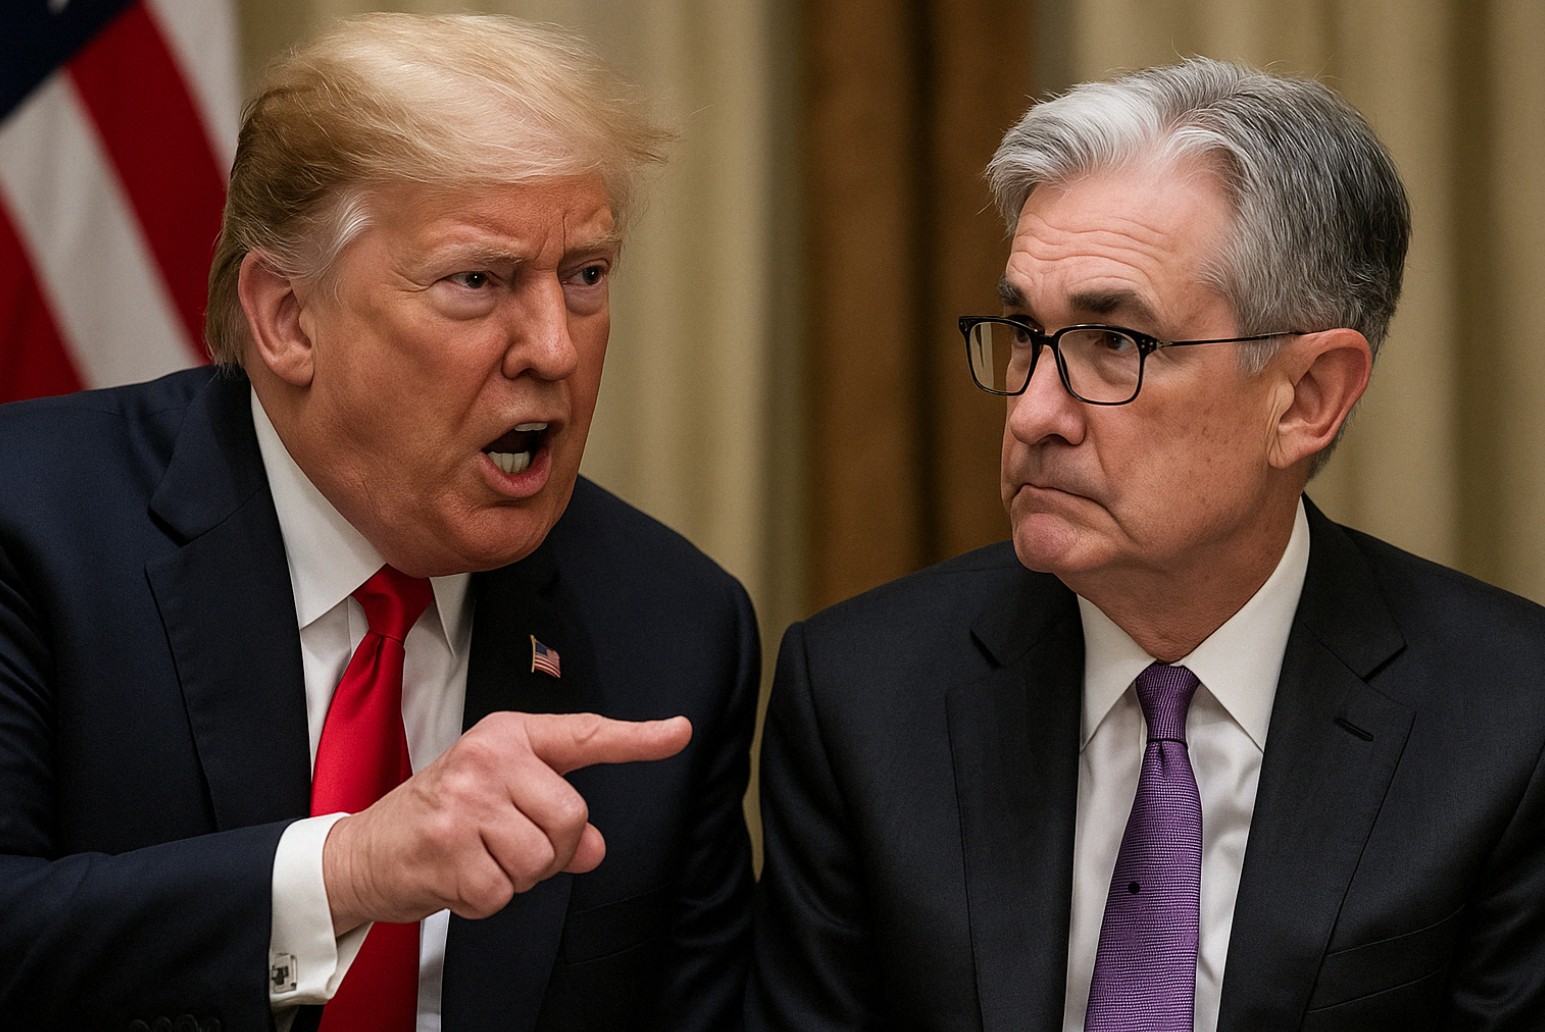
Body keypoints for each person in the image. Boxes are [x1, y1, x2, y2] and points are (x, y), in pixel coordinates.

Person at [747, 57, 1545, 1031]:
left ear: (1307, 397)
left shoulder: (1512, 728)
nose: (1032, 413)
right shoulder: (860, 698)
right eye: (1022, 331)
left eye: (1115, 344)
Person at [0, 13, 759, 1032]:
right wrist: (347, 873)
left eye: (585, 274)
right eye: (477, 281)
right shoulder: (32, 528)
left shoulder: (674, 626)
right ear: (287, 317)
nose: (554, 349)